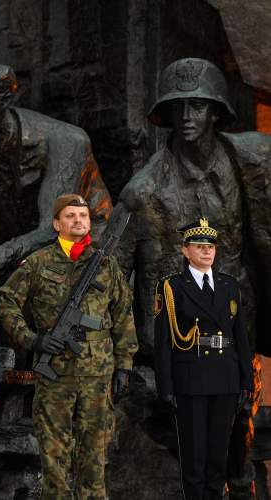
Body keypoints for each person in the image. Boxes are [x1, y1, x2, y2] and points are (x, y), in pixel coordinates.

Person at [107, 58, 271, 495]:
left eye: (197, 106)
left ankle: (238, 480)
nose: (186, 118)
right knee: (186, 427)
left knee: (238, 417)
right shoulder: (142, 191)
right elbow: (112, 272)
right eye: (177, 107)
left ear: (216, 111)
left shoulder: (253, 161)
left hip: (235, 322)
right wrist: (119, 349)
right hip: (175, 333)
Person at [0, 194, 137, 499]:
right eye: (71, 216)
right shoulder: (38, 262)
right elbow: (5, 301)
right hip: (54, 378)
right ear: (56, 223)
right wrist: (32, 339)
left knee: (94, 462)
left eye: (83, 216)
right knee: (54, 463)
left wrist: (124, 365)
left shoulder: (106, 265)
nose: (78, 221)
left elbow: (123, 316)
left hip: (97, 378)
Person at [0, 65, 112, 275]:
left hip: (83, 251)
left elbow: (53, 228)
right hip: (18, 255)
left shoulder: (66, 141)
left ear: (5, 101)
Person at [154, 219, 252, 500]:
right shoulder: (171, 288)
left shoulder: (229, 285)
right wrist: (166, 387)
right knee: (194, 458)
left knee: (217, 457)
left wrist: (246, 380)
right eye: (199, 247)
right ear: (186, 252)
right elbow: (162, 342)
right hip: (191, 380)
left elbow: (241, 337)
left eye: (211, 247)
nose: (207, 252)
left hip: (225, 378)